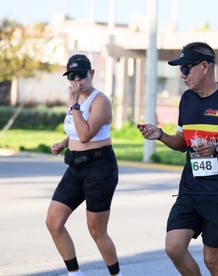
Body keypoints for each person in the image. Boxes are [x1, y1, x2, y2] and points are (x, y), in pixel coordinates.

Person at [138, 42, 218, 276]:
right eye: (180, 69)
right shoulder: (187, 100)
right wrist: (161, 135)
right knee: (174, 247)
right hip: (190, 189)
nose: (181, 74)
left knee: (213, 261)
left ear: (204, 66)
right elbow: (182, 142)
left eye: (186, 68)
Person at [46, 54, 122, 276]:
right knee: (54, 221)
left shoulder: (100, 101)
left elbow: (86, 134)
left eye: (81, 75)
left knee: (96, 230)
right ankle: (74, 273)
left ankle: (116, 274)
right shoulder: (76, 100)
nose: (76, 80)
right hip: (76, 166)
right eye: (71, 76)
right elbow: (75, 133)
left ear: (92, 74)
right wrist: (62, 143)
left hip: (100, 168)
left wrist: (74, 106)